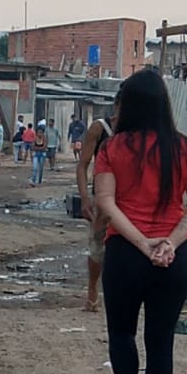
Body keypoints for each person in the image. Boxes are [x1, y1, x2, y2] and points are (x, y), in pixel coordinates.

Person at [94, 69, 187, 374]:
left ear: (127, 105)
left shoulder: (111, 150)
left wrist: (143, 243)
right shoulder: (185, 148)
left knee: (122, 332)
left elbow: (106, 203)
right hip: (173, 259)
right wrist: (170, 243)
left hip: (126, 254)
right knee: (161, 344)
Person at [76, 96, 119, 312]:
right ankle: (93, 290)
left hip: (129, 200)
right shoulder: (100, 129)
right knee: (97, 246)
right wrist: (85, 198)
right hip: (102, 200)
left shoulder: (139, 131)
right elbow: (82, 165)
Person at [28, 120, 48, 186]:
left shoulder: (44, 138)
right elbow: (33, 147)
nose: (39, 134)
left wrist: (38, 148)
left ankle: (39, 180)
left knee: (41, 169)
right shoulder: (35, 138)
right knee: (35, 167)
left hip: (42, 155)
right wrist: (39, 149)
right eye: (38, 132)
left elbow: (44, 147)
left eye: (40, 133)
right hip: (36, 154)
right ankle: (33, 180)